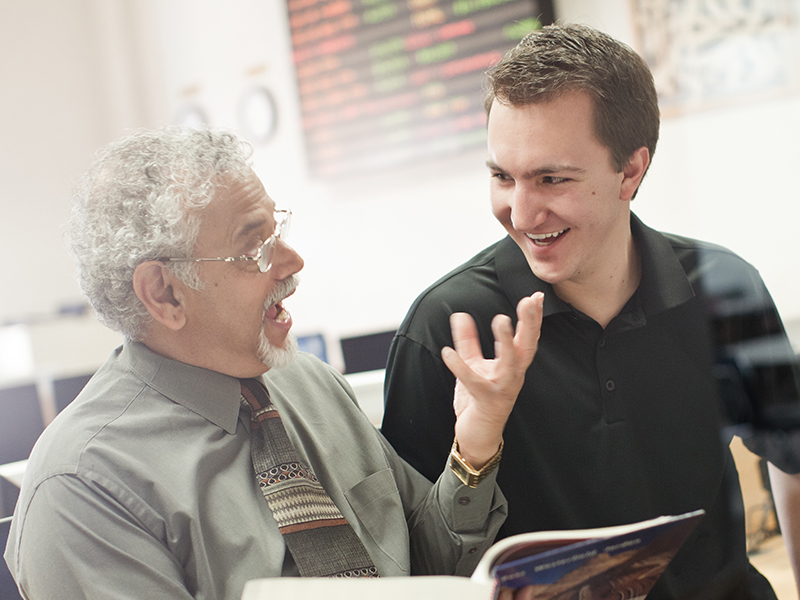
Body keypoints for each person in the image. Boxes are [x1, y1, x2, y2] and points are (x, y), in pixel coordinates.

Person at [3, 127, 545, 599]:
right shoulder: (81, 490)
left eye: (276, 231)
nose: (291, 261)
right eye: (253, 249)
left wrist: (474, 445)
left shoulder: (309, 383)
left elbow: (427, 571)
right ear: (164, 293)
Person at [381, 23, 800, 600]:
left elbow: (794, 454)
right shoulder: (447, 327)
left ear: (630, 170)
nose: (522, 213)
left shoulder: (725, 288)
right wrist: (474, 446)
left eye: (552, 179)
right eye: (503, 176)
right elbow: (410, 560)